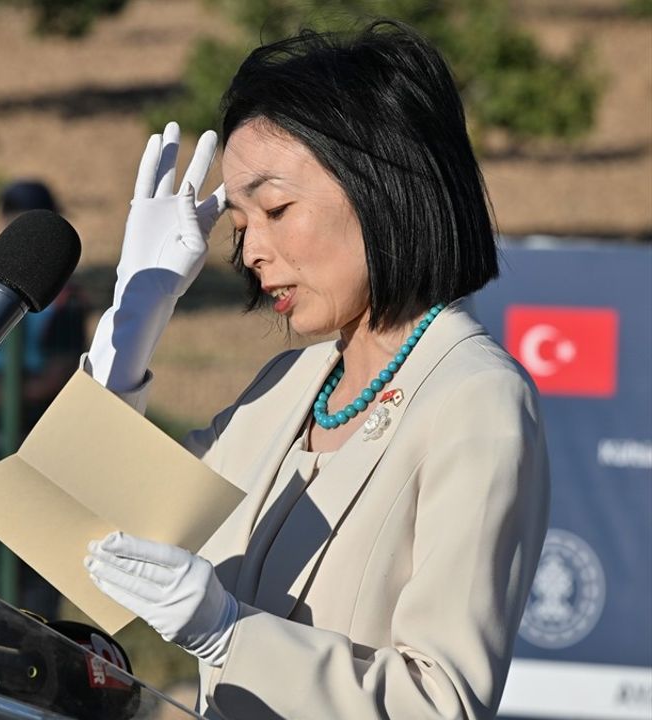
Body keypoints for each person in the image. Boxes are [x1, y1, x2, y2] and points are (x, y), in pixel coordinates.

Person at [81, 22, 550, 719]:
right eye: (240, 225)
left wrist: (230, 634)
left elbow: (441, 702)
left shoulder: (476, 400)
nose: (252, 251)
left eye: (276, 209)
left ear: (380, 187)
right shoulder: (289, 386)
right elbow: (94, 537)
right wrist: (130, 328)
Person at [0, 180, 89, 618]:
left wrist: (4, 396)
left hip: (38, 440)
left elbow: (61, 374)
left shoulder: (66, 302)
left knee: (38, 565)